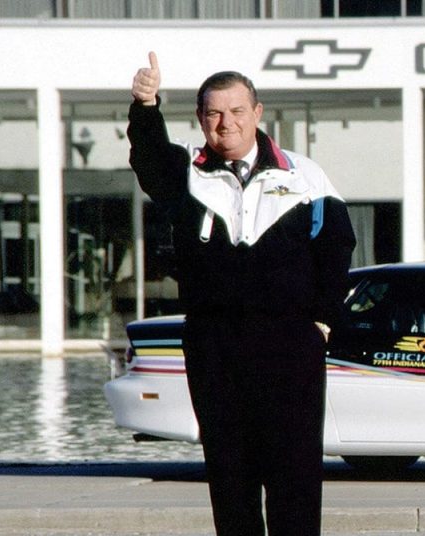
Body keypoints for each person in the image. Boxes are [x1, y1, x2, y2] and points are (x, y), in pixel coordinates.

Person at [128, 52, 355, 536]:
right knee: (231, 479)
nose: (224, 123)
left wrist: (322, 321)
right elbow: (148, 158)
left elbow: (337, 248)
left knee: (294, 479)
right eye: (213, 113)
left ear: (257, 113)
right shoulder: (185, 172)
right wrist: (145, 106)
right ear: (200, 119)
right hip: (215, 346)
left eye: (235, 111)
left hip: (290, 347)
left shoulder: (303, 175)